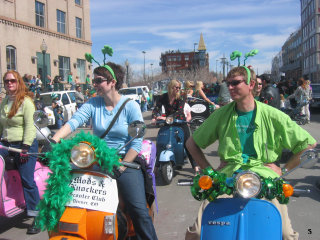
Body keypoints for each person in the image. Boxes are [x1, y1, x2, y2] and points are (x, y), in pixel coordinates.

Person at [184, 66, 317, 240]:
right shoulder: (221, 114)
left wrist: (283, 170)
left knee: (285, 234)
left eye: (235, 83)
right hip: (228, 179)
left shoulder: (273, 115)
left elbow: (308, 144)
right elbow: (191, 143)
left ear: (251, 84)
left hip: (266, 179)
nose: (230, 87)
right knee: (198, 232)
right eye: (228, 83)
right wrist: (210, 171)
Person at [51, 62, 158, 240]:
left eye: (98, 80)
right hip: (98, 159)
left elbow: (137, 142)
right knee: (72, 197)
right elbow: (73, 122)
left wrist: (122, 166)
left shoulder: (130, 106)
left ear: (112, 82)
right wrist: (53, 141)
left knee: (138, 209)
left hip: (124, 160)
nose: (94, 84)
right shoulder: (93, 104)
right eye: (94, 80)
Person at [0, 70, 40, 234]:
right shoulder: (4, 102)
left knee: (26, 180)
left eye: (13, 81)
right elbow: (2, 125)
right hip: (7, 144)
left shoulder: (26, 102)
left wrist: (25, 147)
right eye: (7, 81)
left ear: (19, 82)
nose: (10, 84)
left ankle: (37, 216)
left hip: (25, 145)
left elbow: (30, 127)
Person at [151, 79, 200, 174]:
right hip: (168, 122)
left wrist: (167, 118)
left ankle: (195, 167)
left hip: (180, 122)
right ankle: (155, 168)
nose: (178, 89)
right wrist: (154, 117)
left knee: (188, 144)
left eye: (179, 87)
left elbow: (180, 111)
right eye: (176, 87)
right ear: (170, 87)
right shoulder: (163, 97)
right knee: (161, 142)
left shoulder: (181, 96)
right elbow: (156, 108)